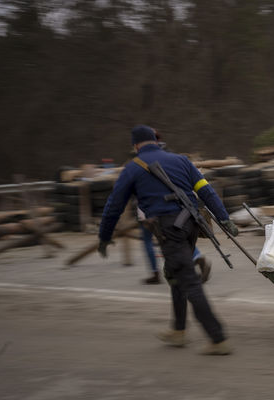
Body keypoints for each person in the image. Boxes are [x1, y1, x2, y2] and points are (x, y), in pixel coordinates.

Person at [98, 125, 238, 355]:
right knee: (175, 275)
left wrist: (104, 236)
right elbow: (206, 191)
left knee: (189, 281)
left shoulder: (132, 168)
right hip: (192, 224)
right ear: (156, 141)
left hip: (169, 230)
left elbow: (114, 206)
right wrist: (224, 219)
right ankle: (179, 331)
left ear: (135, 145)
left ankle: (218, 338)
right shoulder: (182, 160)